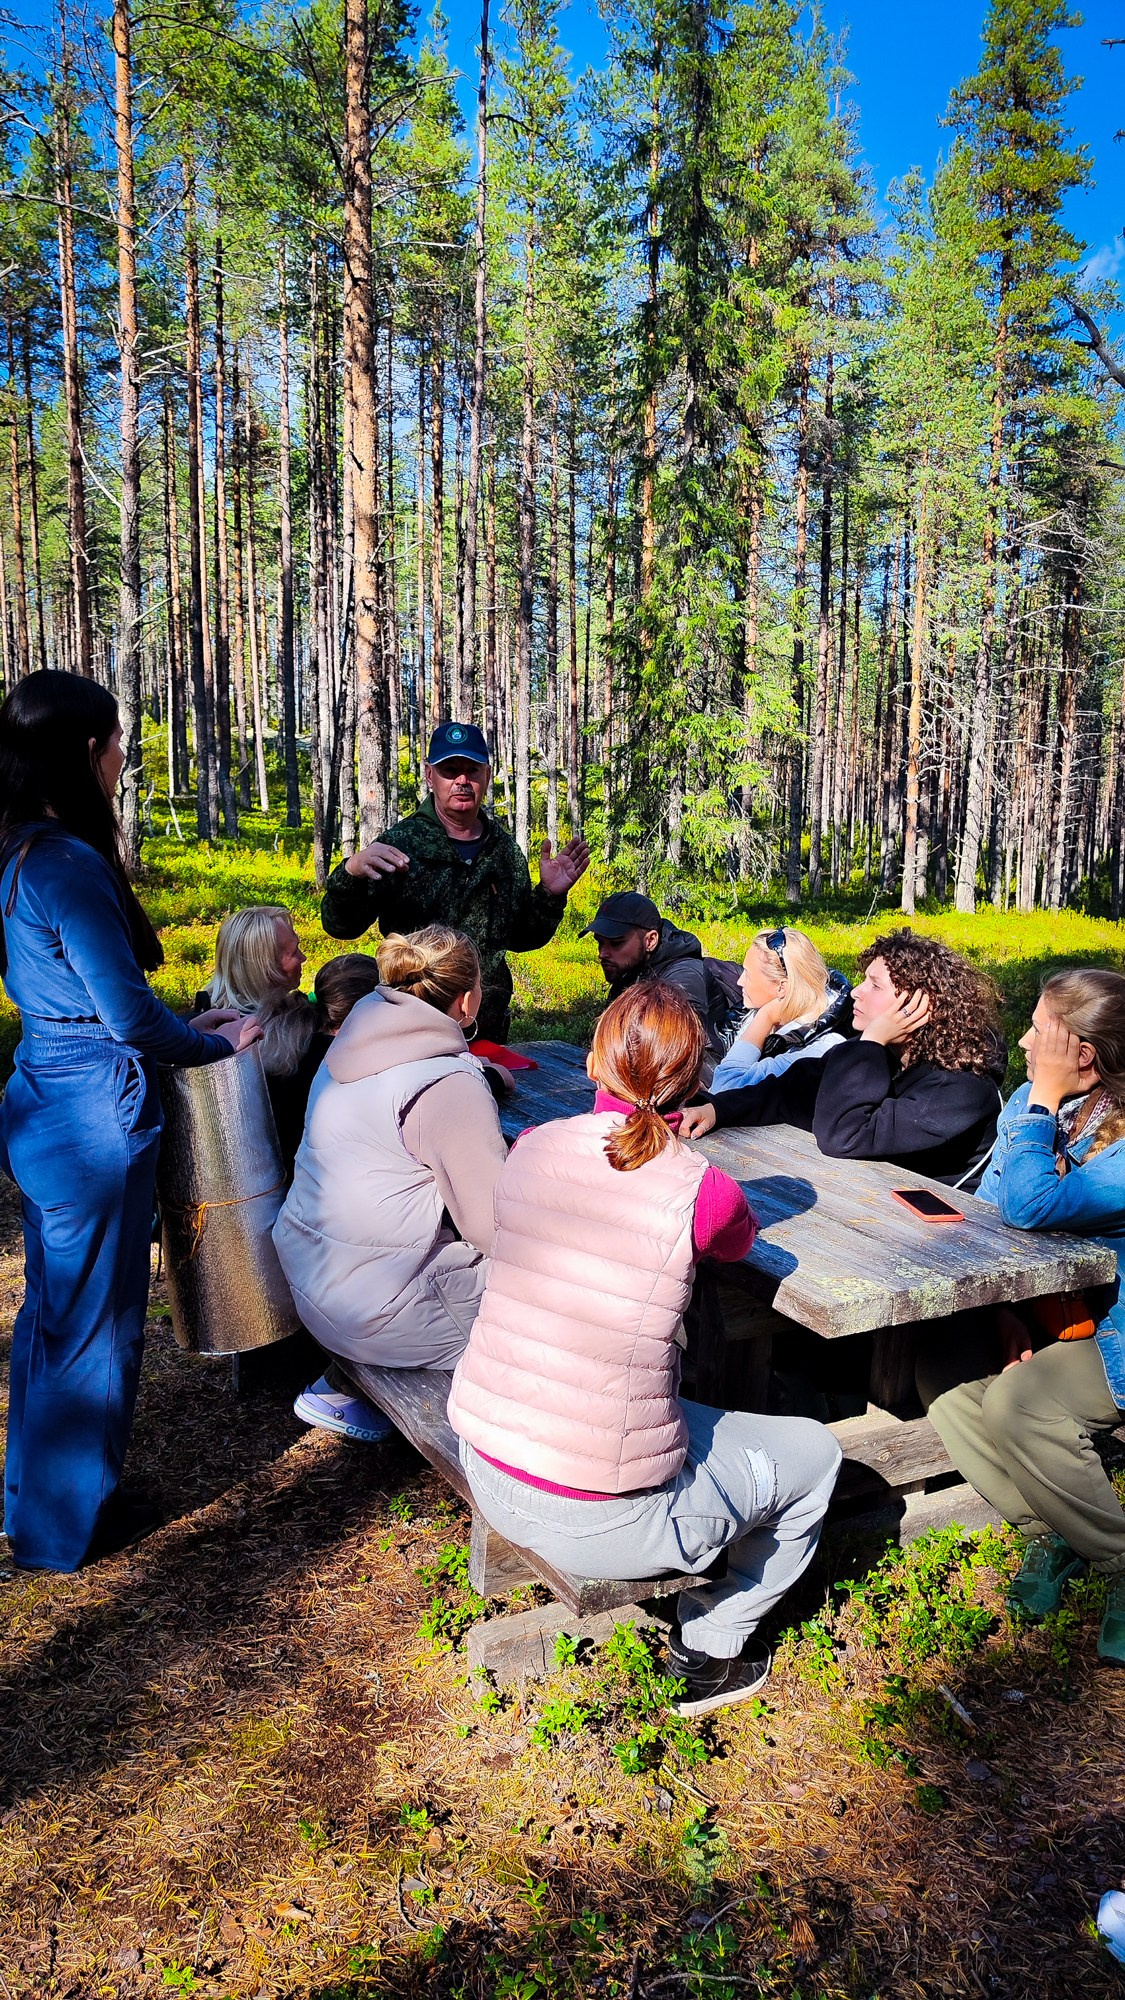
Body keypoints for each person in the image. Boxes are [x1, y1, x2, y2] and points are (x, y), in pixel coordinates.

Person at [447, 981, 843, 1717]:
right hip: (599, 1518)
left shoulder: (531, 1146)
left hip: (488, 1459)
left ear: (595, 1063)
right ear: (694, 1081)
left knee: (652, 1402)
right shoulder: (702, 1189)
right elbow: (736, 1242)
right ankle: (711, 1649)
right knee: (816, 1455)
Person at [0, 671, 258, 1573]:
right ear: (81, 752)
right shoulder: (66, 862)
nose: (121, 757)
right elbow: (128, 1017)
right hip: (91, 1120)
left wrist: (193, 1027)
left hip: (43, 1099)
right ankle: (66, 1529)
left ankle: (35, 1501)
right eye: (113, 742)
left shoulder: (21, 849)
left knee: (52, 1313)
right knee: (97, 1322)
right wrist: (222, 1045)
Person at [918, 969, 1125, 1666]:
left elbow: (1031, 1206)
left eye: (1039, 1029)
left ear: (1083, 1054)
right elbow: (995, 1210)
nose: (1024, 1039)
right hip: (1050, 1309)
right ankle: (1048, 1531)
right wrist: (1007, 1306)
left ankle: (1116, 1563)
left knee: (1018, 1404)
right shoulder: (1045, 1108)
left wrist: (1036, 1101)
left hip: (1114, 1336)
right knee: (944, 1375)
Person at [275, 925, 508, 1445]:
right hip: (378, 1315)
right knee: (566, 1293)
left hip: (311, 1282)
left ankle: (345, 1385)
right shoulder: (446, 1082)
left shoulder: (348, 1044)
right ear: (469, 1001)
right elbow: (497, 1229)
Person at [319, 723, 590, 1041]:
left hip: (485, 1029)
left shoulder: (503, 852)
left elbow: (520, 938)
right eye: (450, 770)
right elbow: (341, 926)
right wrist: (350, 872)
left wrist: (548, 896)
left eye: (472, 770)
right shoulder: (400, 845)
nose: (462, 780)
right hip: (412, 1029)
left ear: (487, 776)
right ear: (430, 775)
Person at [682, 929, 1005, 1189]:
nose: (856, 992)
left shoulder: (961, 1087)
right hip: (860, 1200)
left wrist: (872, 1042)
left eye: (874, 985)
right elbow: (791, 1089)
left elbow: (845, 1136)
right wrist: (718, 1109)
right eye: (863, 980)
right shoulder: (893, 1056)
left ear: (918, 1003)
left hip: (945, 1235)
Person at [197, 904, 317, 1174]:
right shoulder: (298, 1034)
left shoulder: (197, 1024)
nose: (304, 957)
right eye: (293, 952)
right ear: (265, 967)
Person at [581, 890, 736, 1060]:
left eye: (616, 943)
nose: (602, 953)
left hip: (698, 1080)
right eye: (600, 943)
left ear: (650, 940)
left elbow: (668, 1050)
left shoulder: (685, 975)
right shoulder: (631, 971)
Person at [710, 926, 851, 1093]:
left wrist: (766, 1016)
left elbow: (723, 1089)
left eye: (747, 974)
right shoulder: (750, 1012)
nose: (740, 982)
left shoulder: (818, 1050)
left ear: (782, 988)